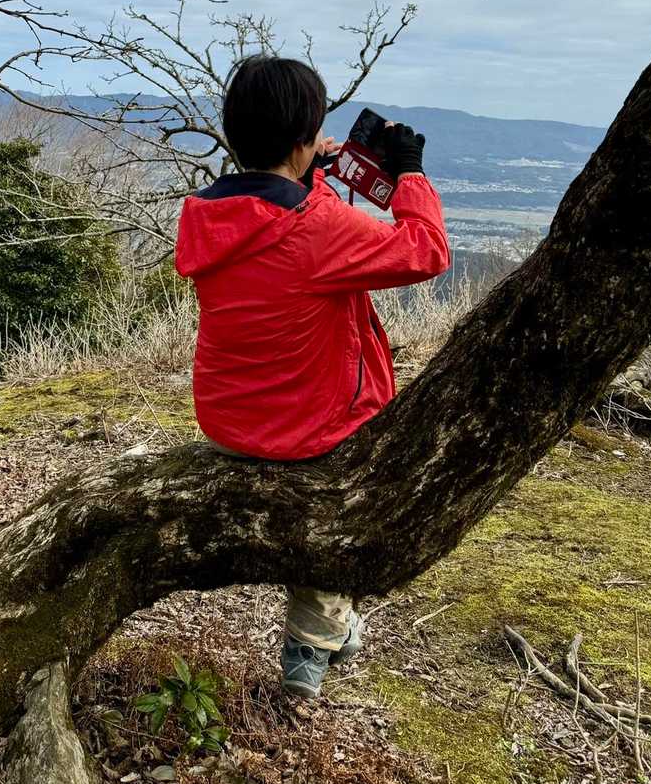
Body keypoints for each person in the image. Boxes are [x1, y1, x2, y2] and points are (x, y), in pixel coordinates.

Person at [174, 54, 450, 698]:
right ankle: (312, 646)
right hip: (302, 432)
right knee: (349, 496)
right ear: (302, 138)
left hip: (227, 421)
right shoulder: (319, 228)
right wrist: (409, 175)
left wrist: (311, 175)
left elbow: (290, 228)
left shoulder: (208, 214)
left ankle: (332, 629)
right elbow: (427, 250)